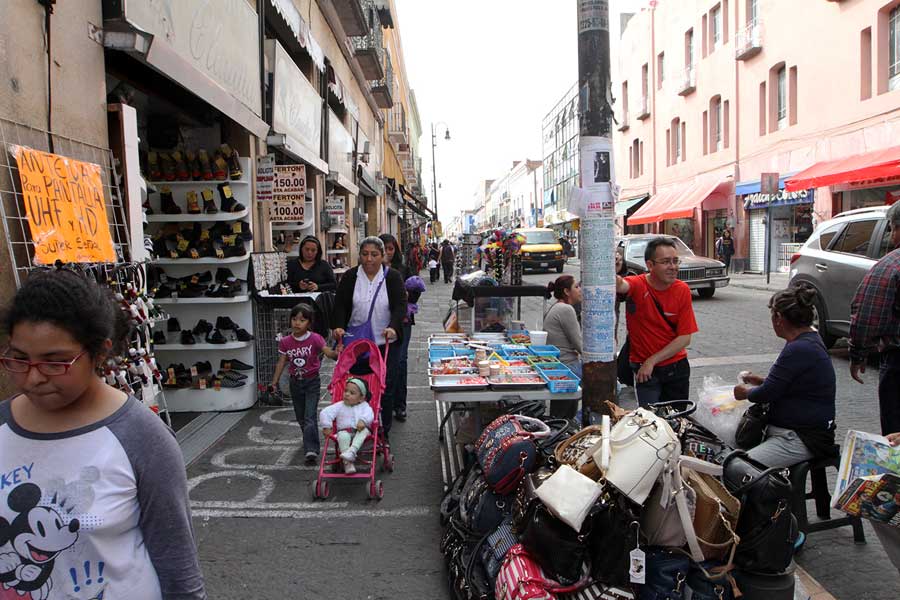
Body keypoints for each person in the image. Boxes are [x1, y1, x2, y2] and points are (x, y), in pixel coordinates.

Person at [0, 268, 206, 599]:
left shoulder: (142, 437)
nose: (33, 378)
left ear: (99, 353)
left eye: (55, 362)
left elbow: (178, 569)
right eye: (20, 359)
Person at [733, 286, 837, 468]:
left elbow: (766, 393)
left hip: (801, 437)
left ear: (779, 318)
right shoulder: (809, 339)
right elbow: (790, 384)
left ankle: (765, 495)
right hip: (802, 431)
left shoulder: (799, 348)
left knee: (737, 467)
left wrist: (744, 393)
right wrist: (761, 380)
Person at [331, 236, 407, 438]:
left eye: (374, 254)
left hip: (386, 342)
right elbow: (340, 305)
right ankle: (356, 425)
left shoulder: (392, 277)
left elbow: (401, 306)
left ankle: (384, 431)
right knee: (356, 385)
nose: (369, 259)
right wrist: (338, 326)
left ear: (383, 256)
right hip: (358, 343)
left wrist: (393, 327)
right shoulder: (350, 276)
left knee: (385, 386)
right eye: (364, 254)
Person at [615, 237, 698, 406]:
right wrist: (614, 269)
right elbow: (620, 286)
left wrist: (652, 361)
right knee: (650, 423)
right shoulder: (638, 285)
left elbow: (684, 338)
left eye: (675, 261)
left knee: (676, 423)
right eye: (666, 262)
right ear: (650, 265)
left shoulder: (682, 290)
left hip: (675, 369)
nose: (673, 267)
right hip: (645, 372)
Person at [849, 201, 900, 436]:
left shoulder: (891, 265)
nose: (890, 235)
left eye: (891, 228)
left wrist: (859, 354)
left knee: (895, 440)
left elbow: (868, 316)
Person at [269, 303, 340, 464]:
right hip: (295, 382)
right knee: (301, 417)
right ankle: (308, 438)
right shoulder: (285, 342)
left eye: (302, 320)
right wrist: (274, 382)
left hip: (312, 382)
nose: (297, 323)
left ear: (309, 322)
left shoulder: (315, 338)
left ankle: (311, 449)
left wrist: (336, 353)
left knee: (309, 416)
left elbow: (327, 352)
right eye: (294, 319)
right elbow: (281, 362)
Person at [380, 234, 424, 423]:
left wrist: (406, 295)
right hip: (380, 322)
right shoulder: (371, 271)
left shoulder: (404, 268)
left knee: (400, 362)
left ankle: (400, 405)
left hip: (402, 322)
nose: (388, 253)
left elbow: (415, 294)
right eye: (385, 249)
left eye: (391, 249)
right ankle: (383, 403)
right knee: (382, 363)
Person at [544, 275, 583, 419]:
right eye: (576, 287)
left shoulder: (558, 307)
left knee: (562, 412)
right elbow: (579, 344)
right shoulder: (566, 309)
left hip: (560, 365)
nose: (580, 290)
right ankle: (580, 422)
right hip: (567, 366)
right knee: (612, 387)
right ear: (567, 291)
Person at [319, 378, 375, 474]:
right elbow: (326, 413)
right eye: (346, 391)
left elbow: (370, 414)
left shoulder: (364, 406)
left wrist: (363, 421)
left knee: (364, 431)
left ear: (361, 398)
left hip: (359, 431)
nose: (347, 394)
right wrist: (326, 426)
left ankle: (352, 451)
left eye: (352, 393)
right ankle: (347, 463)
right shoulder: (339, 405)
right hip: (344, 432)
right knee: (343, 435)